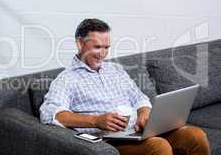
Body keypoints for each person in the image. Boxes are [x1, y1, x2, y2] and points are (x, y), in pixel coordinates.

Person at [40, 18, 210, 155]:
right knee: (158, 147)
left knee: (194, 136)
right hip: (109, 141)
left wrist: (144, 113)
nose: (103, 53)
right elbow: (49, 114)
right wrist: (96, 120)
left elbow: (139, 98)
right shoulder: (67, 78)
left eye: (106, 47)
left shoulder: (116, 69)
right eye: (97, 47)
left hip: (136, 133)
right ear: (80, 43)